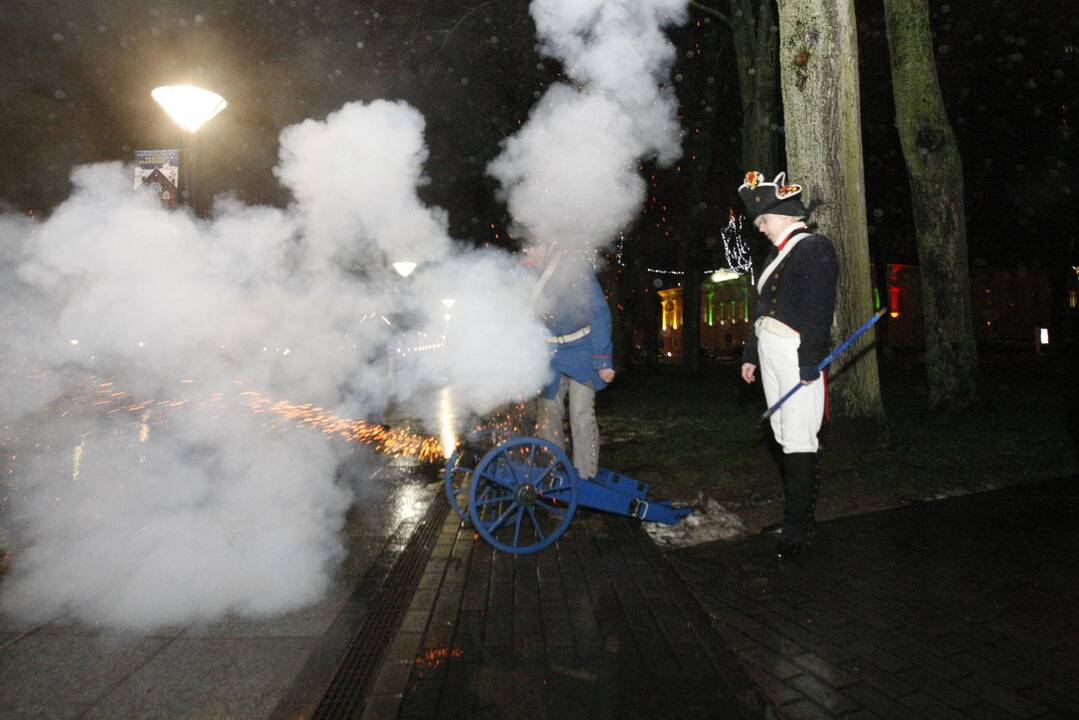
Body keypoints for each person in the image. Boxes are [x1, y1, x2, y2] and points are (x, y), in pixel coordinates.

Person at [737, 170, 838, 560]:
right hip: (770, 351)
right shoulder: (774, 255)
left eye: (763, 219)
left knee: (799, 436)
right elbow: (762, 310)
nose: (760, 227)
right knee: (782, 431)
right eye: (759, 221)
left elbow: (818, 310)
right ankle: (794, 517)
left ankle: (798, 529)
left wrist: (810, 358)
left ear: (784, 214)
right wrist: (750, 356)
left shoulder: (814, 248)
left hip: (796, 352)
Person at [524, 241, 615, 479]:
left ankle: (586, 479)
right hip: (550, 354)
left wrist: (603, 361)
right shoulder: (527, 275)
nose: (527, 252)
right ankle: (557, 474)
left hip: (582, 352)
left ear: (548, 245)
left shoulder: (576, 270)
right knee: (548, 415)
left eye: (531, 247)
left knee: (580, 415)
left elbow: (599, 313)